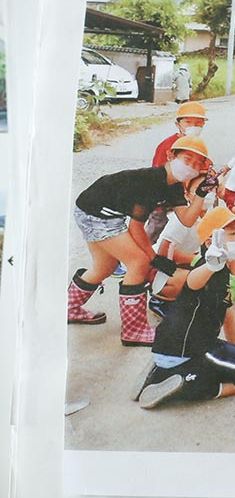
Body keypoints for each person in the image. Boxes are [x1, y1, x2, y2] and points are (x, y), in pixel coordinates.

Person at [67, 136, 213, 346]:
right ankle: (133, 330)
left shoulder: (174, 186)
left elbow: (188, 219)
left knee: (104, 267)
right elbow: (136, 228)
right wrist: (153, 258)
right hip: (97, 213)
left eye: (198, 164)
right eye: (187, 159)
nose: (191, 167)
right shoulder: (151, 181)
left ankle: (69, 308)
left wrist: (201, 193)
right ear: (171, 155)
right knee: (139, 262)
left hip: (97, 210)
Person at [134, 207, 235, 409]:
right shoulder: (208, 268)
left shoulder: (221, 268)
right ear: (210, 242)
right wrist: (210, 267)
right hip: (187, 351)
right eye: (232, 234)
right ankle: (187, 384)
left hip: (172, 344)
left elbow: (227, 312)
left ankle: (160, 372)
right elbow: (193, 283)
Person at [143, 101, 209, 248]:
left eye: (198, 123)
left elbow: (204, 169)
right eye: (188, 122)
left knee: (180, 233)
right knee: (154, 230)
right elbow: (157, 174)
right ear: (178, 124)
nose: (193, 126)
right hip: (163, 199)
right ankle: (137, 254)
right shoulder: (168, 146)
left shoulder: (198, 145)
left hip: (184, 198)